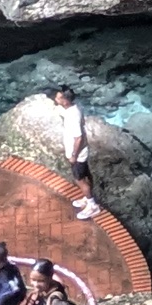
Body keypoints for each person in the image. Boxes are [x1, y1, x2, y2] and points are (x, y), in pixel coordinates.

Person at [57, 89, 102, 222]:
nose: (56, 100)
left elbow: (78, 138)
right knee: (85, 176)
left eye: (58, 98)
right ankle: (87, 198)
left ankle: (92, 205)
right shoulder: (74, 108)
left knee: (80, 180)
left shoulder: (72, 117)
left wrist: (73, 155)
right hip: (81, 153)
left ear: (65, 101)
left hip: (78, 155)